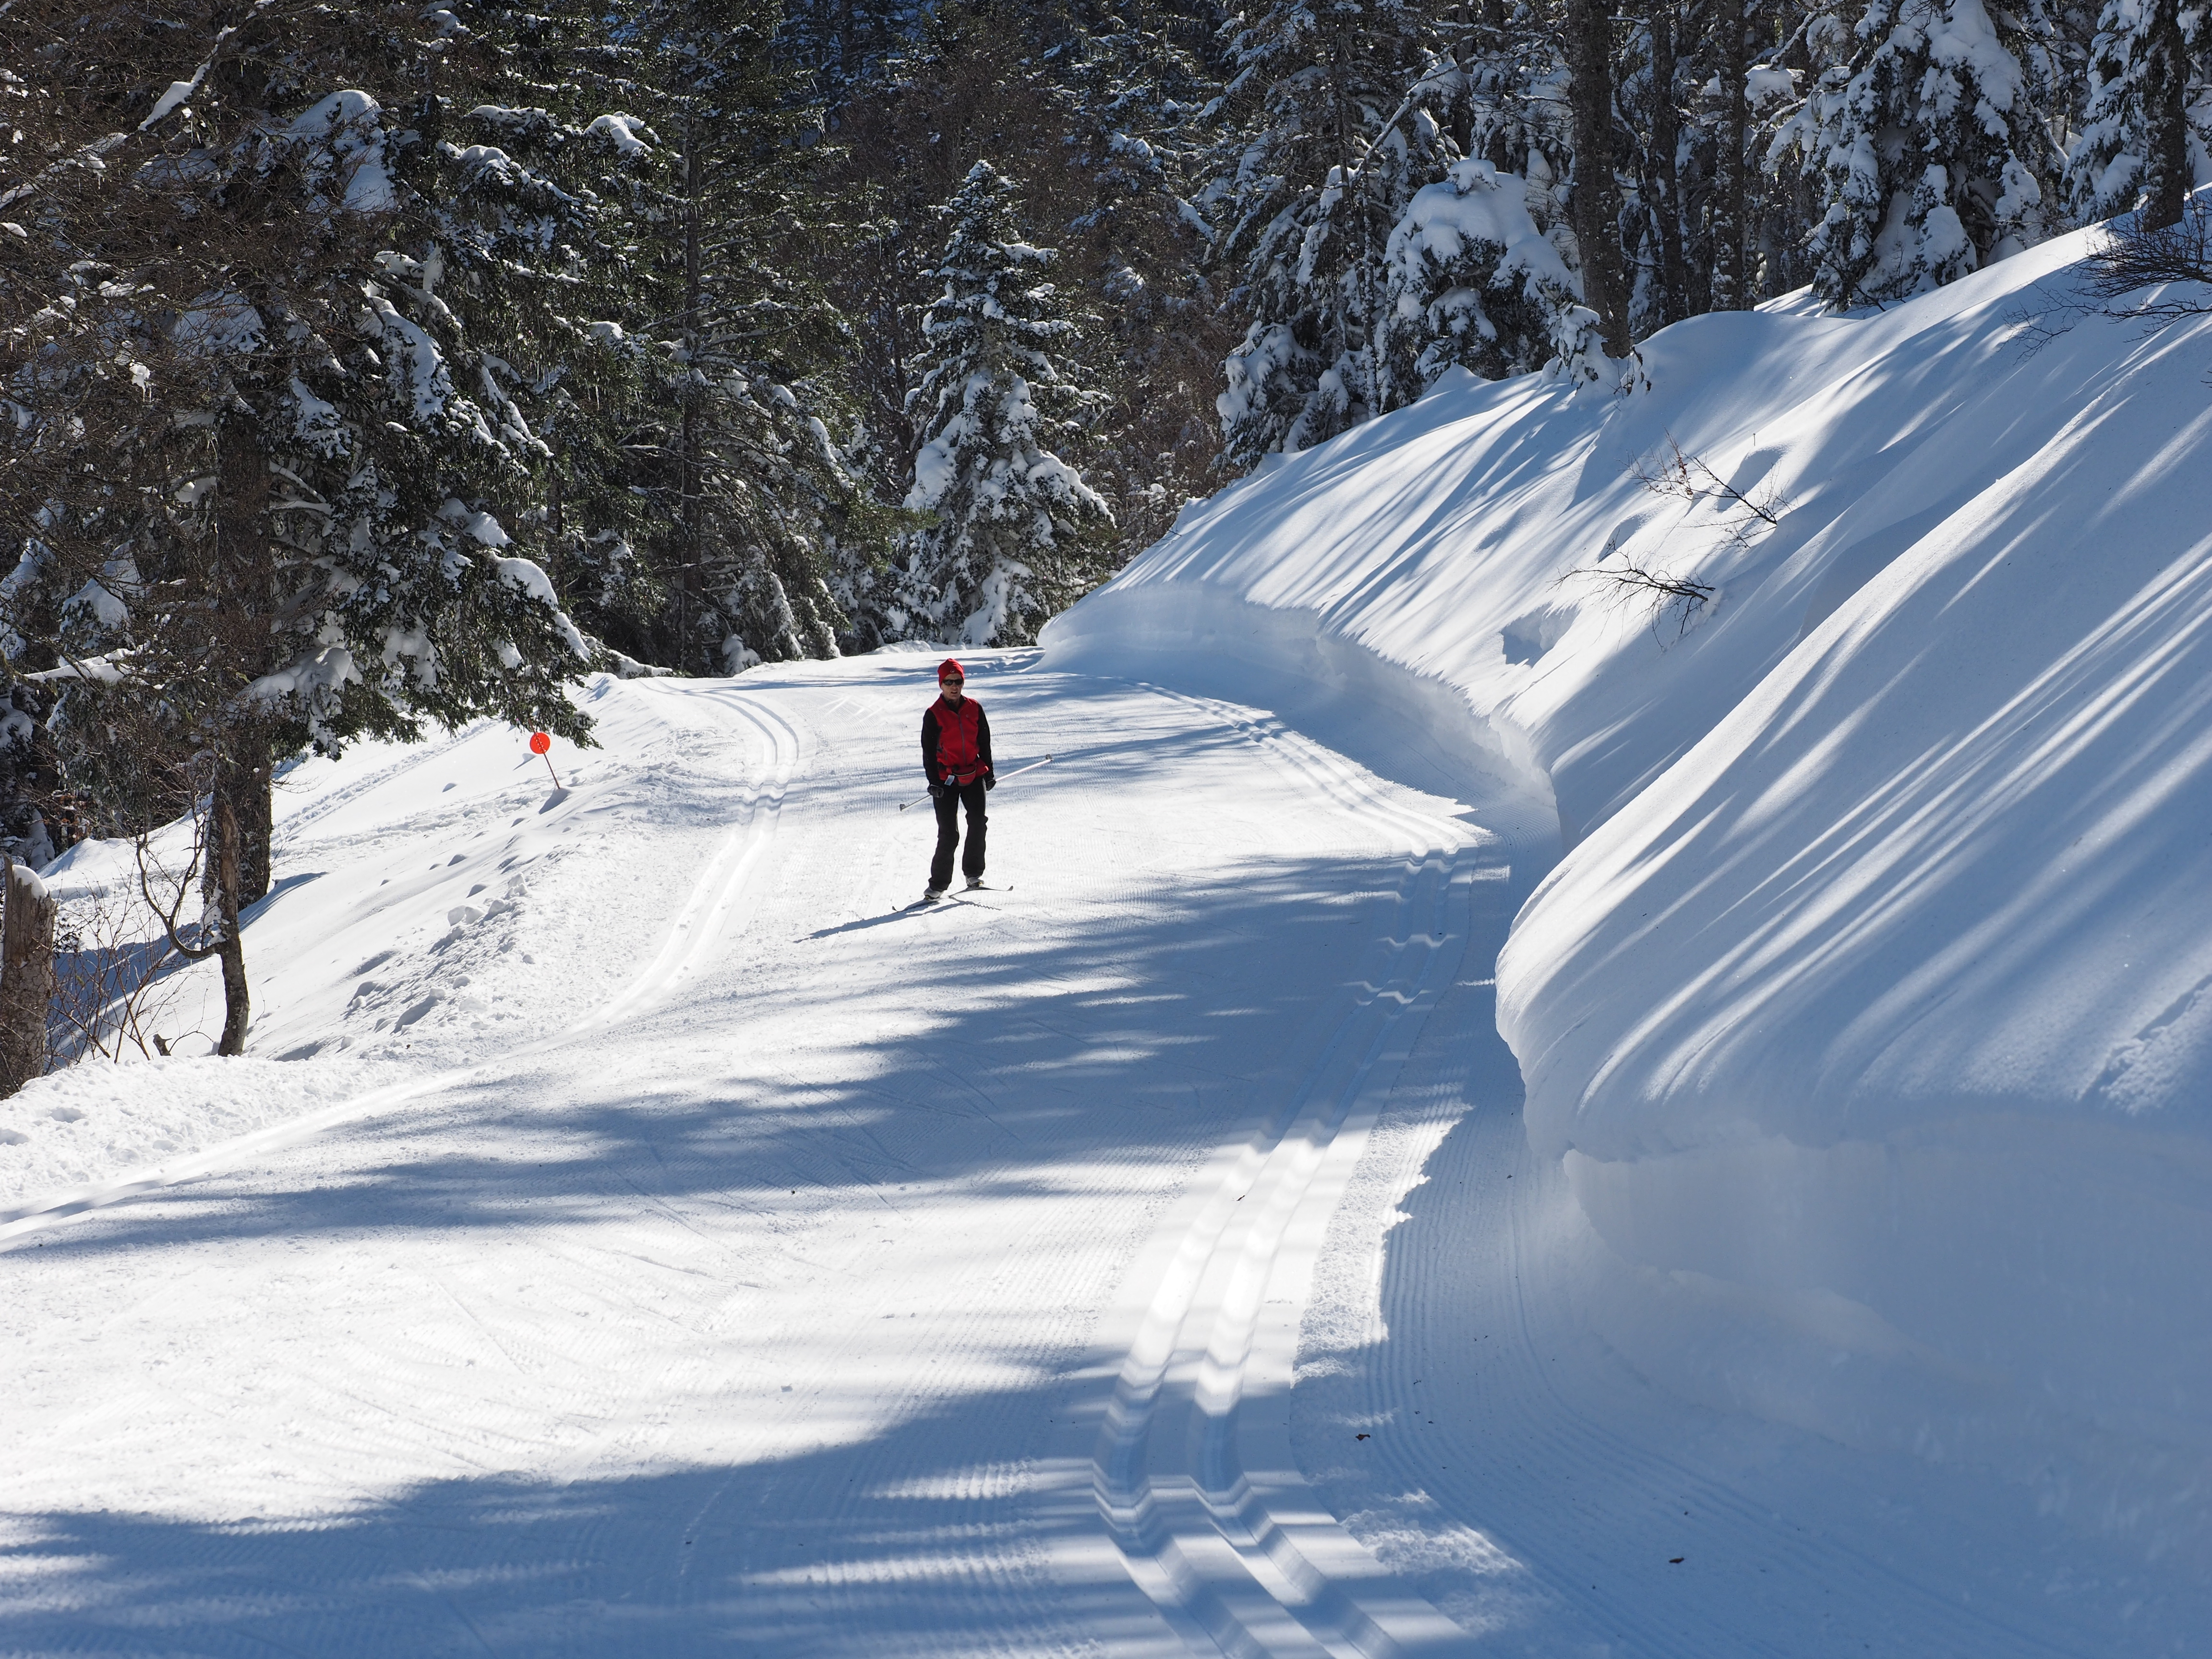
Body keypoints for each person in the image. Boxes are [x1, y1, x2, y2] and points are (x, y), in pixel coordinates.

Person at [920, 658, 994, 900]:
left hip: (973, 774)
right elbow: (928, 752)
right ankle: (938, 885)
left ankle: (974, 874)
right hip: (946, 780)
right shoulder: (933, 715)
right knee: (949, 833)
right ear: (941, 684)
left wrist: (989, 772)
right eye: (949, 682)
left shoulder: (975, 708)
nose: (955, 686)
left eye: (959, 681)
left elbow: (984, 742)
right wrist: (933, 782)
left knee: (977, 822)